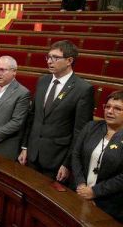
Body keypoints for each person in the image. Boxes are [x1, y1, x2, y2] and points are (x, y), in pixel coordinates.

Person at [19, 40, 94, 182]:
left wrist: (68, 163)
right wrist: (25, 146)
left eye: (55, 58)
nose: (49, 61)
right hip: (33, 154)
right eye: (48, 57)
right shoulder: (42, 81)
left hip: (57, 160)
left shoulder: (83, 89)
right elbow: (33, 116)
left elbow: (80, 132)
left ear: (69, 61)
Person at [72, 90, 123, 222]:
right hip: (79, 193)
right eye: (107, 107)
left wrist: (94, 192)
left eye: (117, 108)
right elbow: (76, 155)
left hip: (109, 204)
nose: (110, 111)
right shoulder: (91, 127)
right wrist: (81, 184)